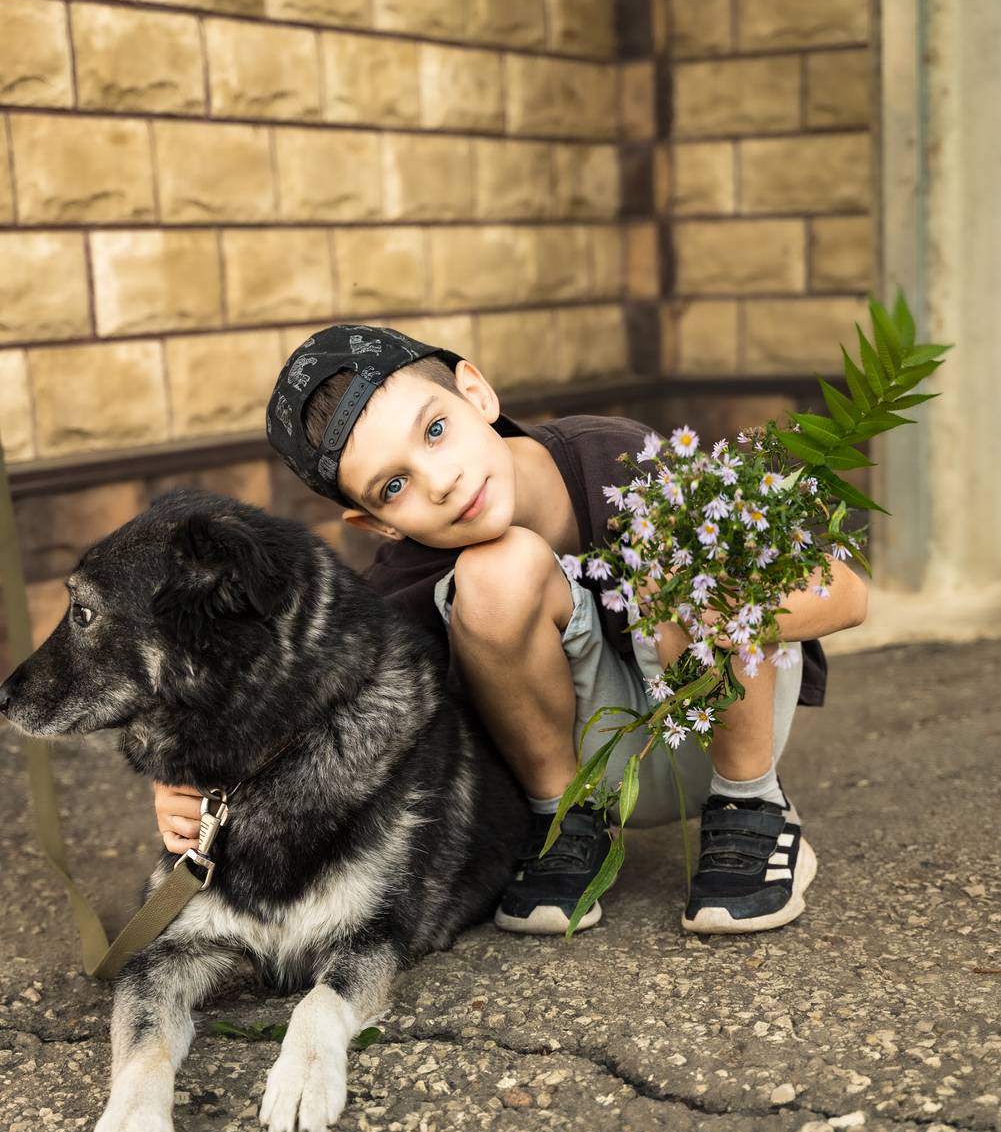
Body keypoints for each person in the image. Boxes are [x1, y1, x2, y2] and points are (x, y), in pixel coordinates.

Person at [153, 325, 868, 937]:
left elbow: (846, 594)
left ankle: (753, 809)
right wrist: (188, 781)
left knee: (681, 550)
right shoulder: (403, 578)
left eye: (435, 430)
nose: (439, 481)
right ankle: (563, 827)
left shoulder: (620, 458)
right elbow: (302, 700)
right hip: (588, 766)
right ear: (376, 524)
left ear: (477, 394)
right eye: (394, 487)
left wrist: (713, 603)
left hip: (723, 726)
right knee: (495, 571)